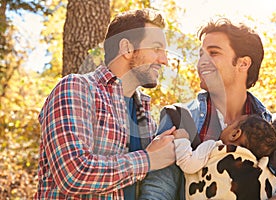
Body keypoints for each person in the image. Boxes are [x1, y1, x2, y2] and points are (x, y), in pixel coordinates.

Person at [139, 18, 276, 200]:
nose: (201, 63)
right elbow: (158, 192)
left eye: (213, 53)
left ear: (243, 63)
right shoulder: (178, 118)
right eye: (201, 55)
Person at [34, 8, 176, 199]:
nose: (164, 60)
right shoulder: (77, 88)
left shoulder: (146, 117)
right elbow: (74, 174)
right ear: (126, 48)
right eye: (157, 48)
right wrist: (149, 159)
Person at [174, 114, 276, 199]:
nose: (225, 124)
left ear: (235, 134)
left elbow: (187, 165)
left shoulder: (214, 147)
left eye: (231, 124)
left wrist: (182, 140)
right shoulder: (261, 167)